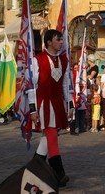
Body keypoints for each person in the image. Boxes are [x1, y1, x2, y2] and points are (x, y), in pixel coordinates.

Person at [28, 29, 74, 187]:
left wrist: (70, 104)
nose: (61, 42)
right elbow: (31, 86)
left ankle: (33, 171)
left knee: (47, 140)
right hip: (43, 103)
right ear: (48, 42)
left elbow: (66, 83)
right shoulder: (37, 59)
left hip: (58, 103)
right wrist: (33, 109)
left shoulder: (64, 60)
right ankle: (59, 174)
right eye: (58, 39)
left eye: (62, 39)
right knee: (52, 136)